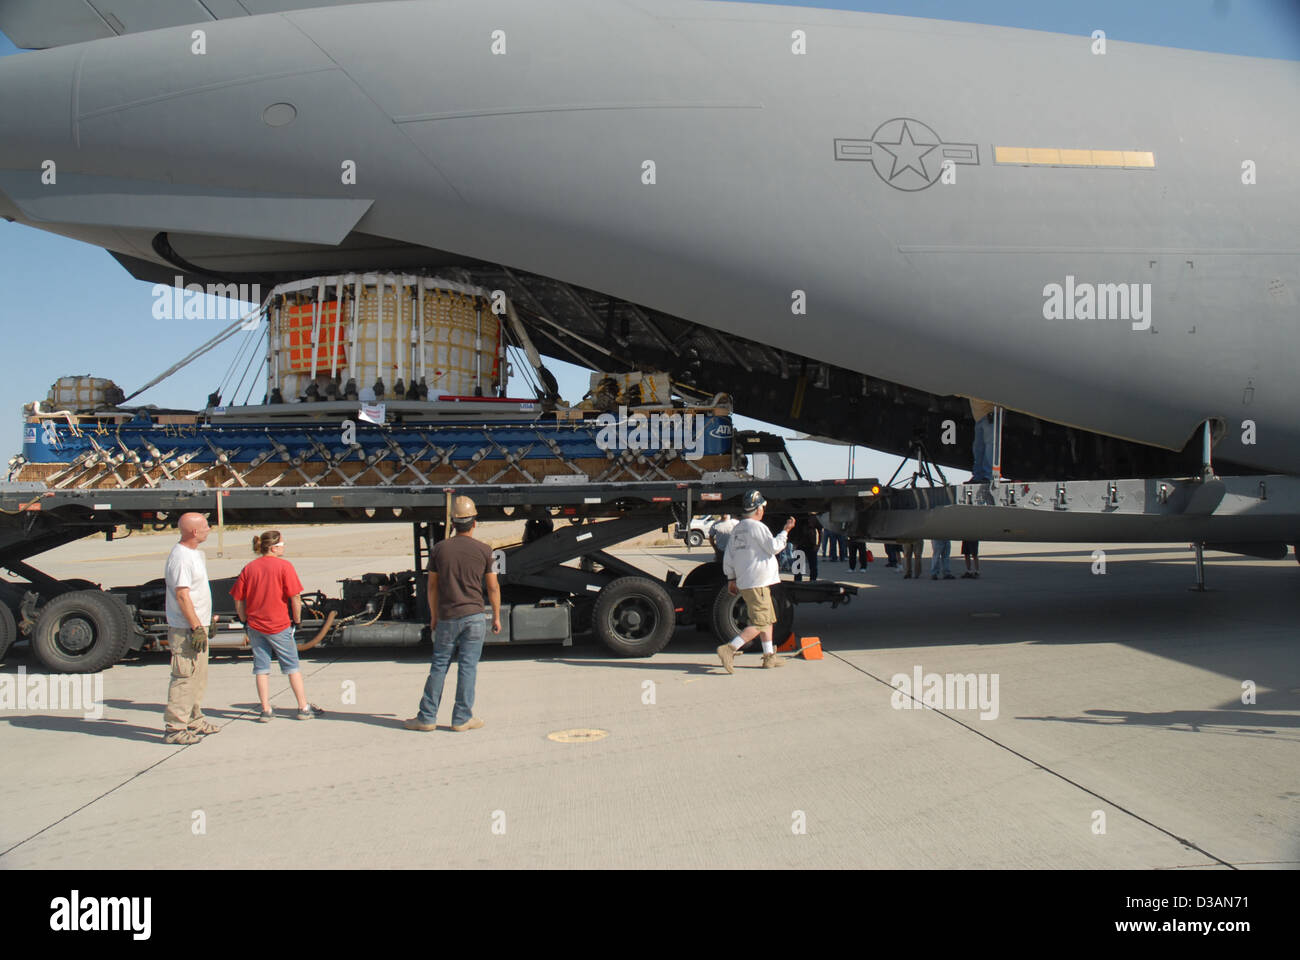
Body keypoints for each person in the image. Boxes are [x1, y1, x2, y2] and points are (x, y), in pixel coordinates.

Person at [405, 496, 502, 732]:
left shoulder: (439, 550)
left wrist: (434, 615)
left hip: (448, 616)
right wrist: (496, 616)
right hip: (475, 617)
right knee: (468, 667)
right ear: (474, 523)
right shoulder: (485, 550)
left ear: (453, 522)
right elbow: (492, 587)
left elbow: (432, 587)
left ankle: (427, 717)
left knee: (439, 666)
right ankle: (462, 719)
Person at [231, 530, 319, 721]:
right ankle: (303, 707)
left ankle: (265, 709)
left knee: (261, 668)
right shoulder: (284, 566)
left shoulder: (249, 568)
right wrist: (297, 620)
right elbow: (295, 597)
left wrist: (244, 619)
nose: (284, 547)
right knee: (292, 667)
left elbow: (238, 599)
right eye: (281, 545)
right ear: (273, 547)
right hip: (279, 625)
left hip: (255, 626)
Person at [717, 490, 796, 672]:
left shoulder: (737, 528)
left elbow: (729, 557)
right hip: (758, 583)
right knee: (760, 623)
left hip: (747, 582)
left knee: (766, 620)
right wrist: (785, 531)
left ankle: (769, 657)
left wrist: (731, 578)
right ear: (758, 509)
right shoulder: (757, 527)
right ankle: (729, 649)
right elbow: (774, 547)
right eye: (762, 507)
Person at [162, 512, 218, 744]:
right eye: (205, 526)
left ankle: (194, 719)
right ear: (194, 531)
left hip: (198, 625)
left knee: (198, 677)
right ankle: (175, 728)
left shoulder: (195, 554)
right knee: (184, 678)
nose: (209, 529)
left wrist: (206, 621)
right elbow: (183, 596)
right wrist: (195, 626)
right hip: (186, 629)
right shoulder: (181, 558)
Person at [969, 398, 996, 483]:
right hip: (979, 417)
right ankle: (978, 475)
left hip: (989, 414)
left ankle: (988, 475)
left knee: (989, 446)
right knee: (978, 447)